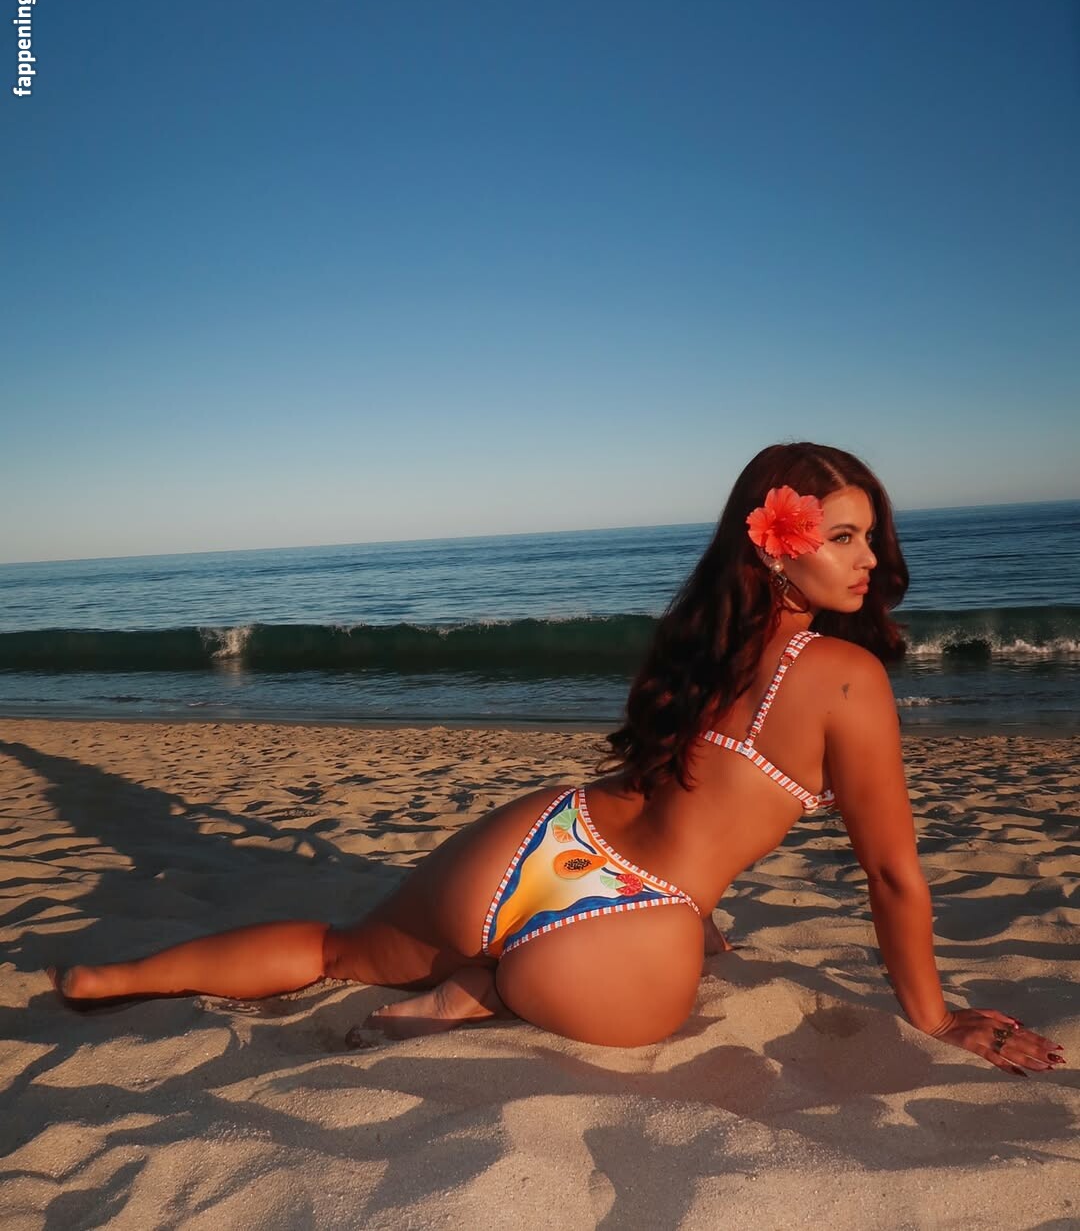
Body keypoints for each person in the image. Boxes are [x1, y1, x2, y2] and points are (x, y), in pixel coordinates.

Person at [51, 442, 1065, 1077]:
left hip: (545, 832)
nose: (870, 559)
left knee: (335, 947)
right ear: (777, 543)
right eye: (844, 537)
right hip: (636, 919)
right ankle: (493, 987)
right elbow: (890, 872)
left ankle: (110, 975)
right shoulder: (847, 675)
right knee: (665, 989)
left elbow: (687, 784)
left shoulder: (698, 640)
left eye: (871, 537)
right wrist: (936, 1014)